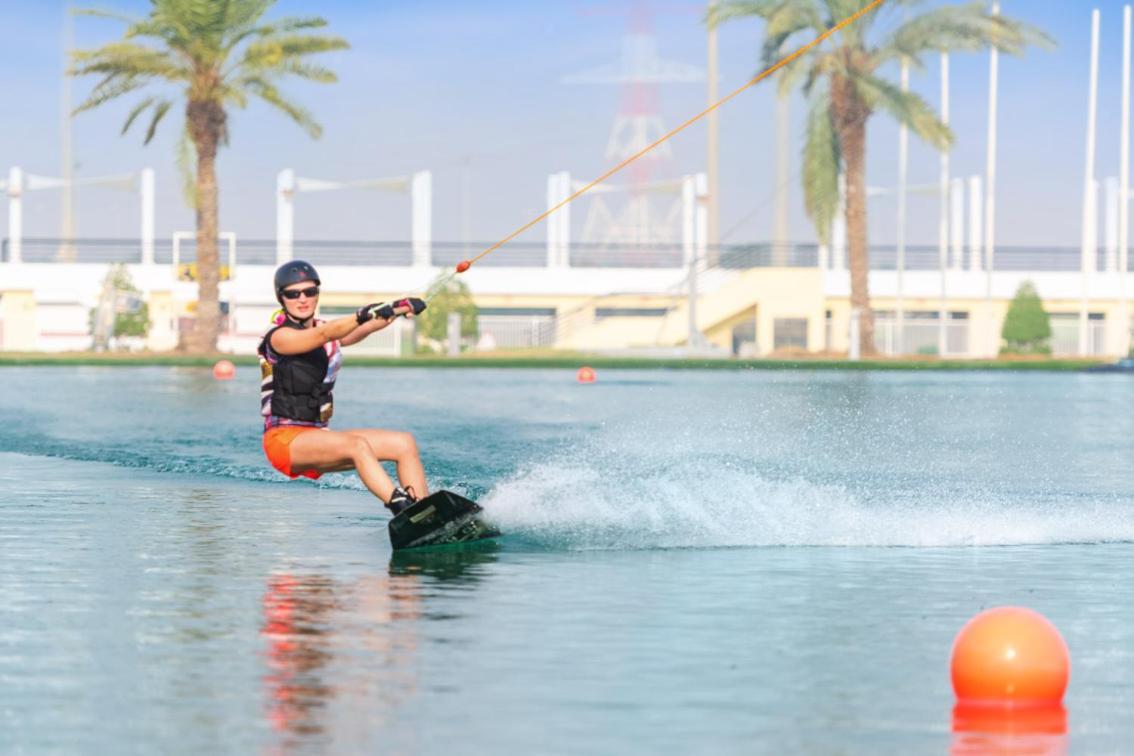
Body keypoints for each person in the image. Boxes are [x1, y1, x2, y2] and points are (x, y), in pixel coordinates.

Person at [259, 260, 428, 515]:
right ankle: (404, 510)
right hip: (285, 441)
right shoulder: (279, 337)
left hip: (317, 435)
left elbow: (358, 330)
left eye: (310, 291)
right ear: (281, 298)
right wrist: (362, 313)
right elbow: (324, 335)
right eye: (293, 294)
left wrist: (396, 309)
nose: (303, 299)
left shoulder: (324, 329)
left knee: (403, 443)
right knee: (356, 444)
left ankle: (428, 510)